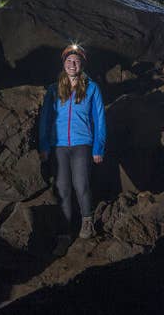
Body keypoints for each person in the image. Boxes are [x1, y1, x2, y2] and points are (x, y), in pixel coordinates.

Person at [38, 44, 106, 240]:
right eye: (69, 61)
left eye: (76, 61)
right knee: (62, 189)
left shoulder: (92, 88)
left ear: (82, 64)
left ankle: (87, 222)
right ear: (64, 64)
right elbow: (46, 119)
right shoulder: (53, 89)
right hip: (58, 146)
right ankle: (64, 233)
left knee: (81, 185)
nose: (72, 64)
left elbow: (99, 119)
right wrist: (44, 146)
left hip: (82, 144)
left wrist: (98, 147)